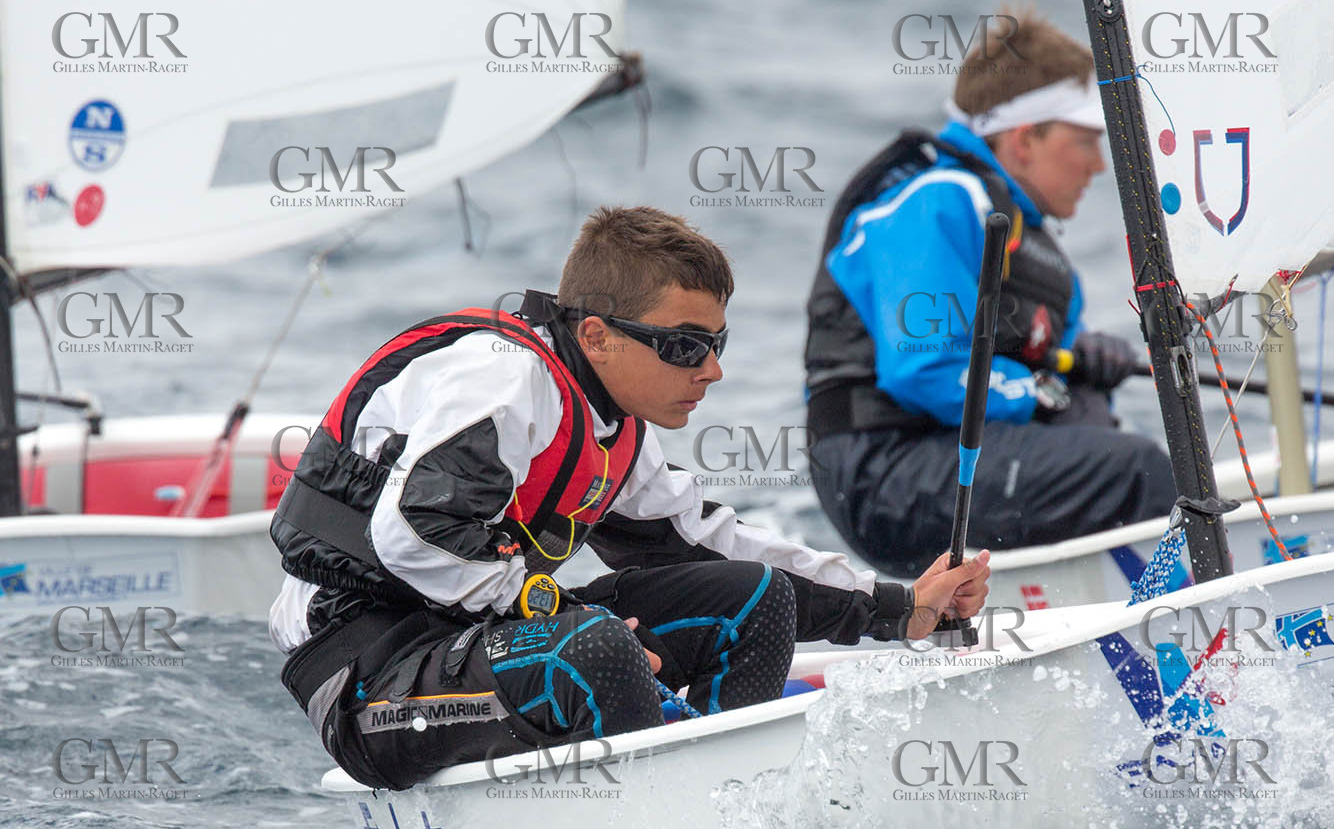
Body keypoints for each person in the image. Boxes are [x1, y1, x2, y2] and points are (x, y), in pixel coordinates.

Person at [268, 206, 990, 791]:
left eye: (717, 342)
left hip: (473, 643)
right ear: (596, 335)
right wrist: (557, 610)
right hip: (365, 673)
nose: (711, 369)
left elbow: (718, 545)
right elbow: (411, 535)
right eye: (683, 346)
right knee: (595, 647)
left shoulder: (614, 433)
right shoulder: (506, 383)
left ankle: (737, 809)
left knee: (756, 599)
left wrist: (899, 607)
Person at [803, 5, 1177, 578]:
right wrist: (1046, 392)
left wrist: (1081, 367)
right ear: (1025, 140)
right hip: (885, 472)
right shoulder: (939, 199)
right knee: (1136, 471)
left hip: (941, 456)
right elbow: (925, 370)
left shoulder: (1029, 238)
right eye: (1085, 141)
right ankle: (1195, 640)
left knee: (1105, 434)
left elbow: (1025, 356)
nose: (1099, 165)